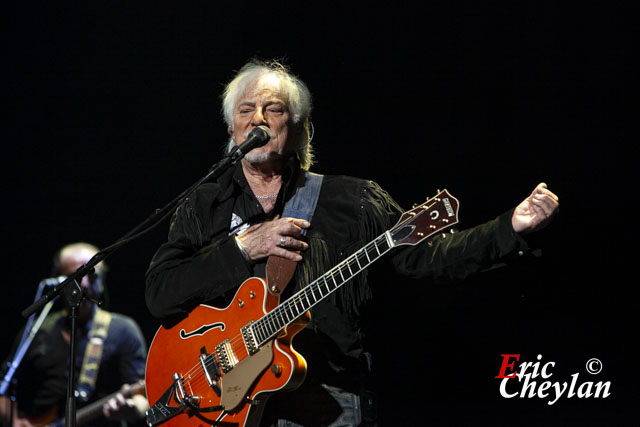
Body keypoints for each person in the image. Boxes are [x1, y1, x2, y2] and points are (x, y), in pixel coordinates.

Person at [144, 59, 559, 426]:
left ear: (299, 126)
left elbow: (427, 258)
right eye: (246, 110)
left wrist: (509, 226)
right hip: (219, 404)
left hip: (324, 400)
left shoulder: (350, 200)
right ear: (232, 128)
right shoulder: (204, 203)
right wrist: (241, 250)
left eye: (273, 109)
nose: (258, 119)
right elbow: (161, 294)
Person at [0, 243, 149, 427]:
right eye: (75, 277)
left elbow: (143, 392)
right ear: (58, 281)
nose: (84, 284)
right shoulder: (37, 329)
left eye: (92, 276)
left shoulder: (123, 329)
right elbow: (4, 387)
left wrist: (133, 409)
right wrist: (15, 421)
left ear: (103, 281)